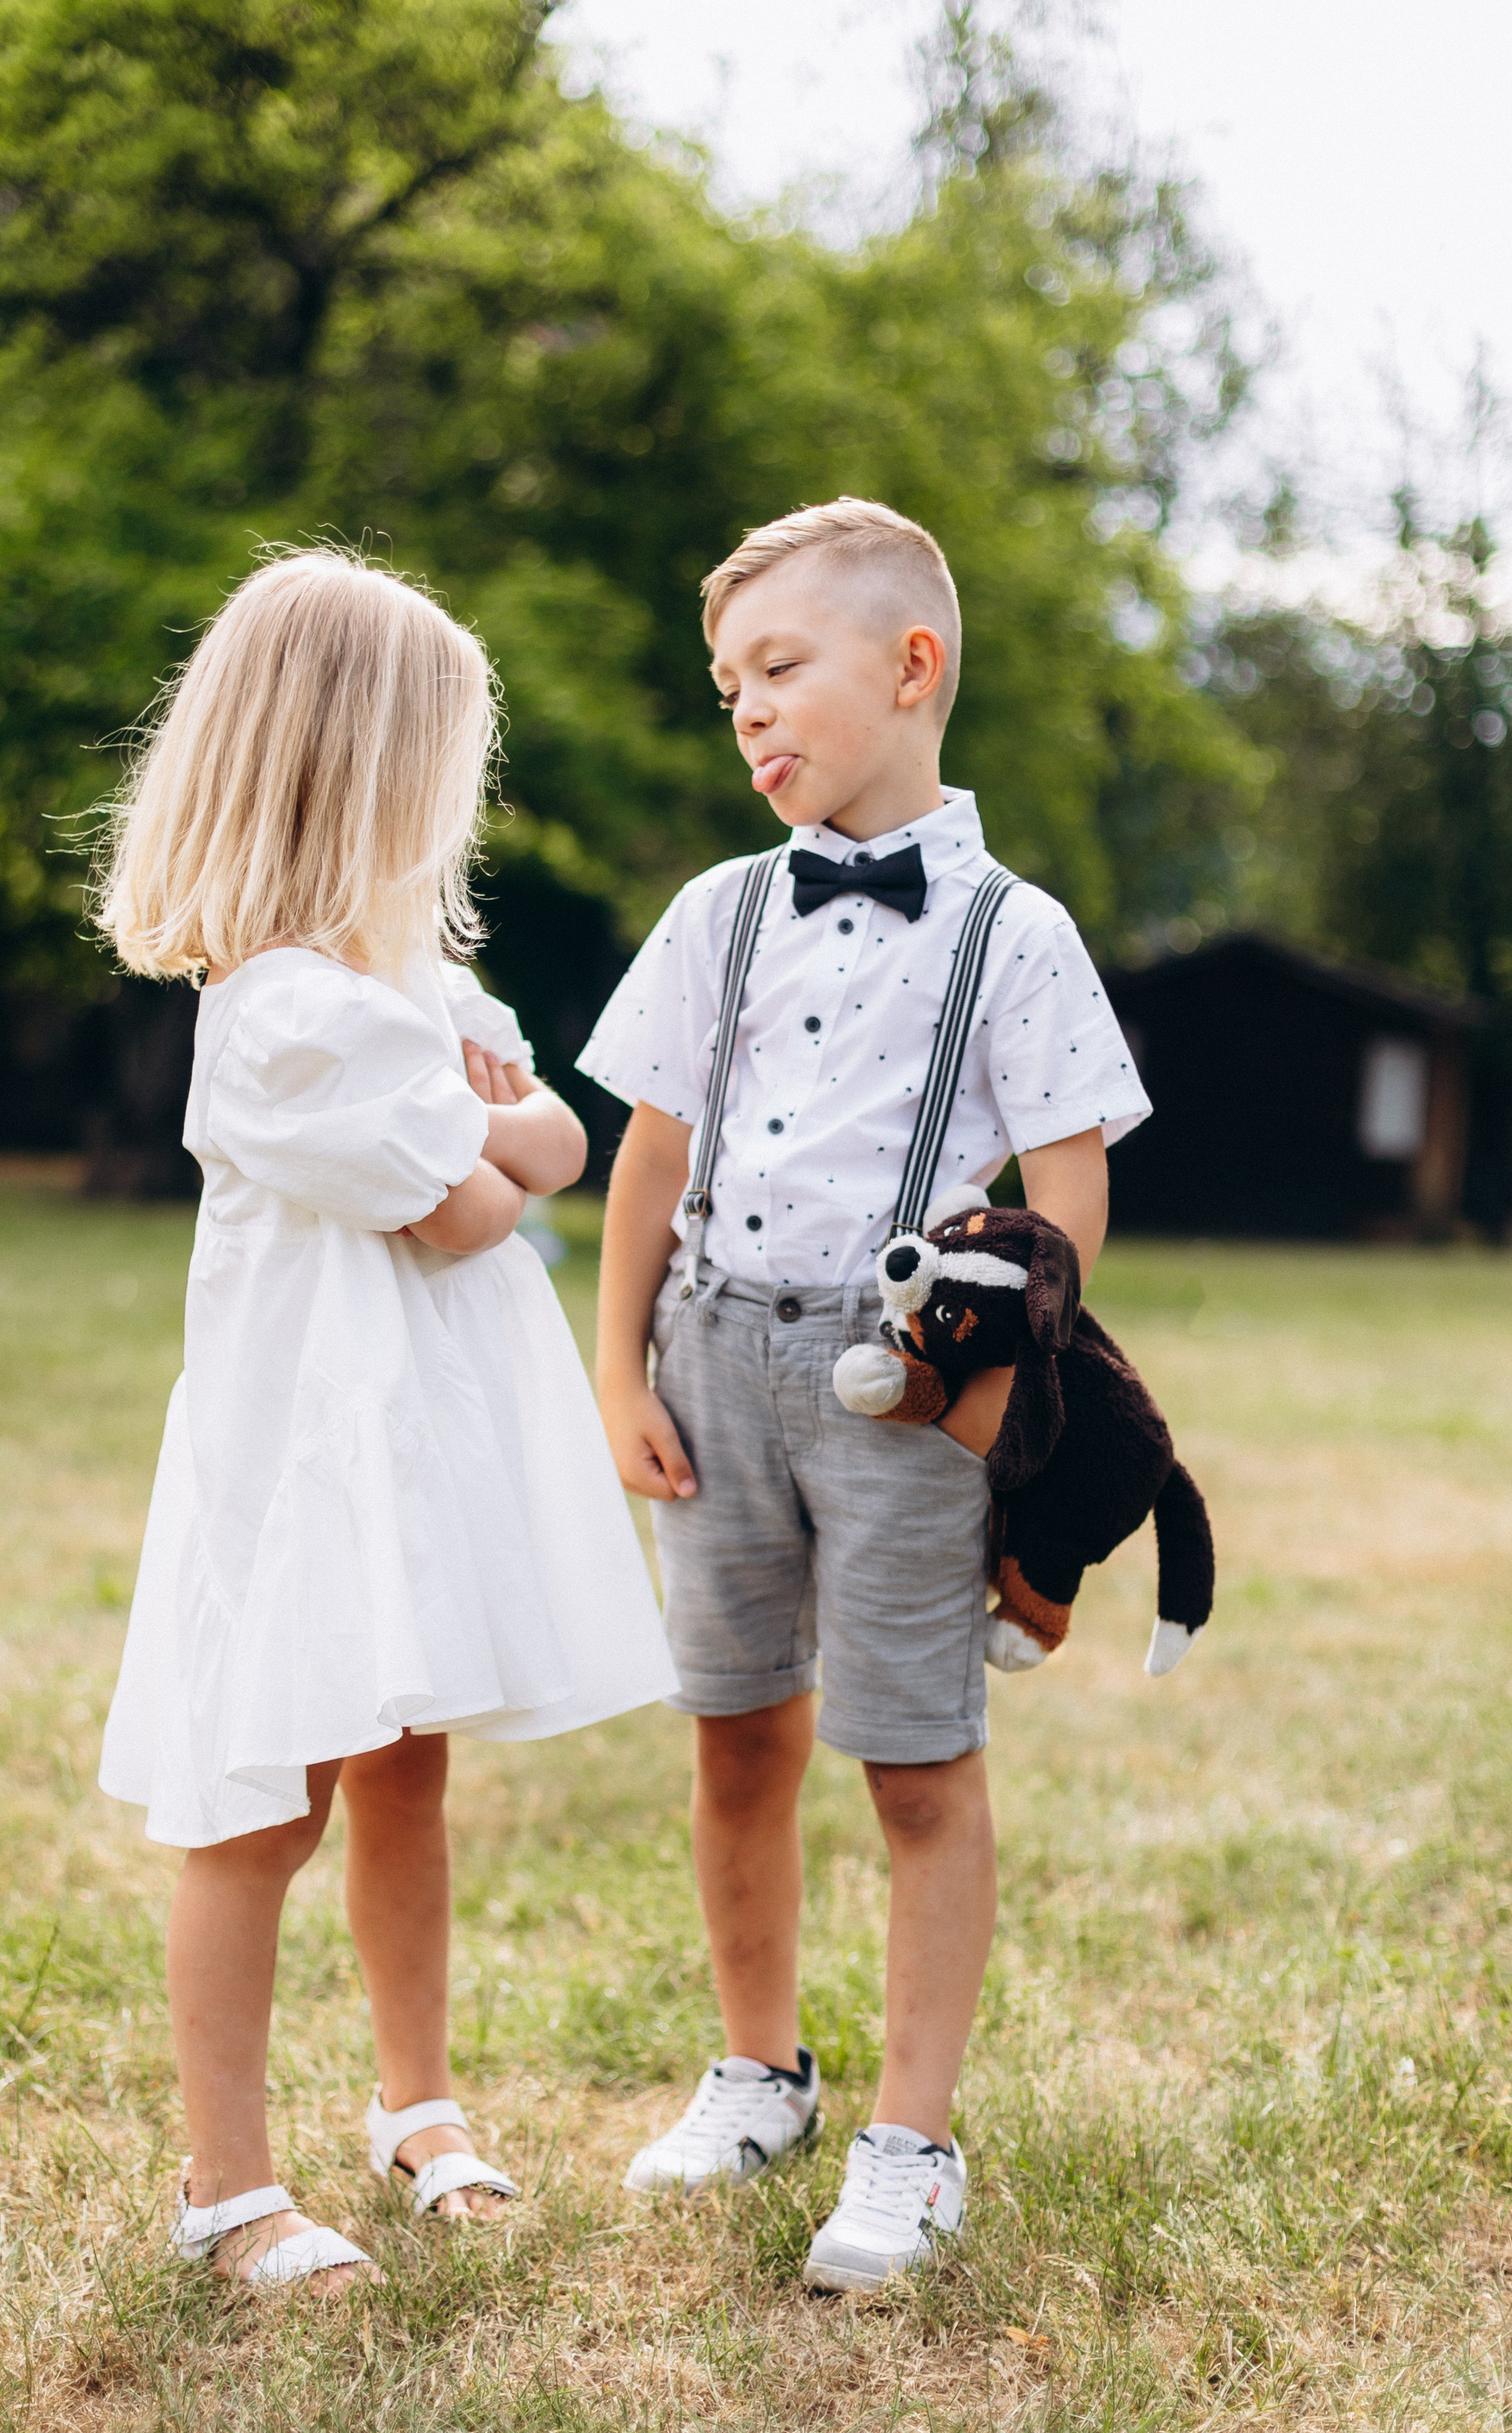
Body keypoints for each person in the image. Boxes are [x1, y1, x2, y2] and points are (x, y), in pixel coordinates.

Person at [578, 498, 1151, 2292]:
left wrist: (998, 1384)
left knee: (913, 1757)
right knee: (735, 1733)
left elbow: (1066, 1184)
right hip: (711, 1356)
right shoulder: (717, 912)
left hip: (901, 1386)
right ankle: (758, 2072)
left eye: (776, 669)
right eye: (725, 688)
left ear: (910, 668)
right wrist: (616, 1370)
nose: (745, 711)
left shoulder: (1015, 933)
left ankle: (909, 2143)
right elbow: (648, 1152)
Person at [94, 549, 675, 2294]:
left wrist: (495, 1130)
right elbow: (470, 1209)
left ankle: (415, 2104)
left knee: (407, 1768)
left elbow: (558, 1140)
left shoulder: (416, 990)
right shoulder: (282, 1019)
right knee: (262, 1806)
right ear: (357, 776)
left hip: (417, 1454)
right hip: (305, 1465)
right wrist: (496, 1137)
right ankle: (227, 2187)